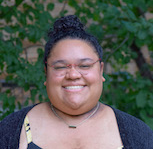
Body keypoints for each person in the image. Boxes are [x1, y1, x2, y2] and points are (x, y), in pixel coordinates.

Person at [0, 15, 153, 149]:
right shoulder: (10, 131)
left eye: (84, 65)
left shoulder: (138, 135)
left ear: (100, 70)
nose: (73, 74)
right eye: (60, 67)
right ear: (46, 73)